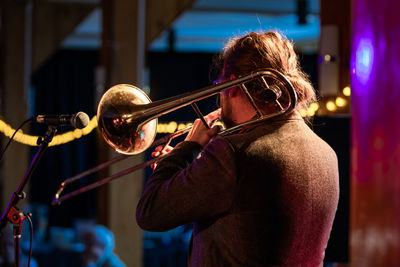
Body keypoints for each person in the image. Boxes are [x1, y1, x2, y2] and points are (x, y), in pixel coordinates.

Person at [136, 31, 339, 267]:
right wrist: (191, 170)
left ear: (231, 86)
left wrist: (188, 147)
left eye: (219, 86)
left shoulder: (233, 153)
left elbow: (150, 212)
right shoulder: (326, 153)